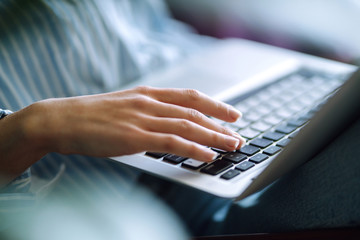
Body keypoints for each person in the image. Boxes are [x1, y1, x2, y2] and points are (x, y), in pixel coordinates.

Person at [1, 0, 359, 238]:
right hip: (136, 204)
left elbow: (151, 33)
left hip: (214, 104)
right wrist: (32, 128)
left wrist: (243, 69)